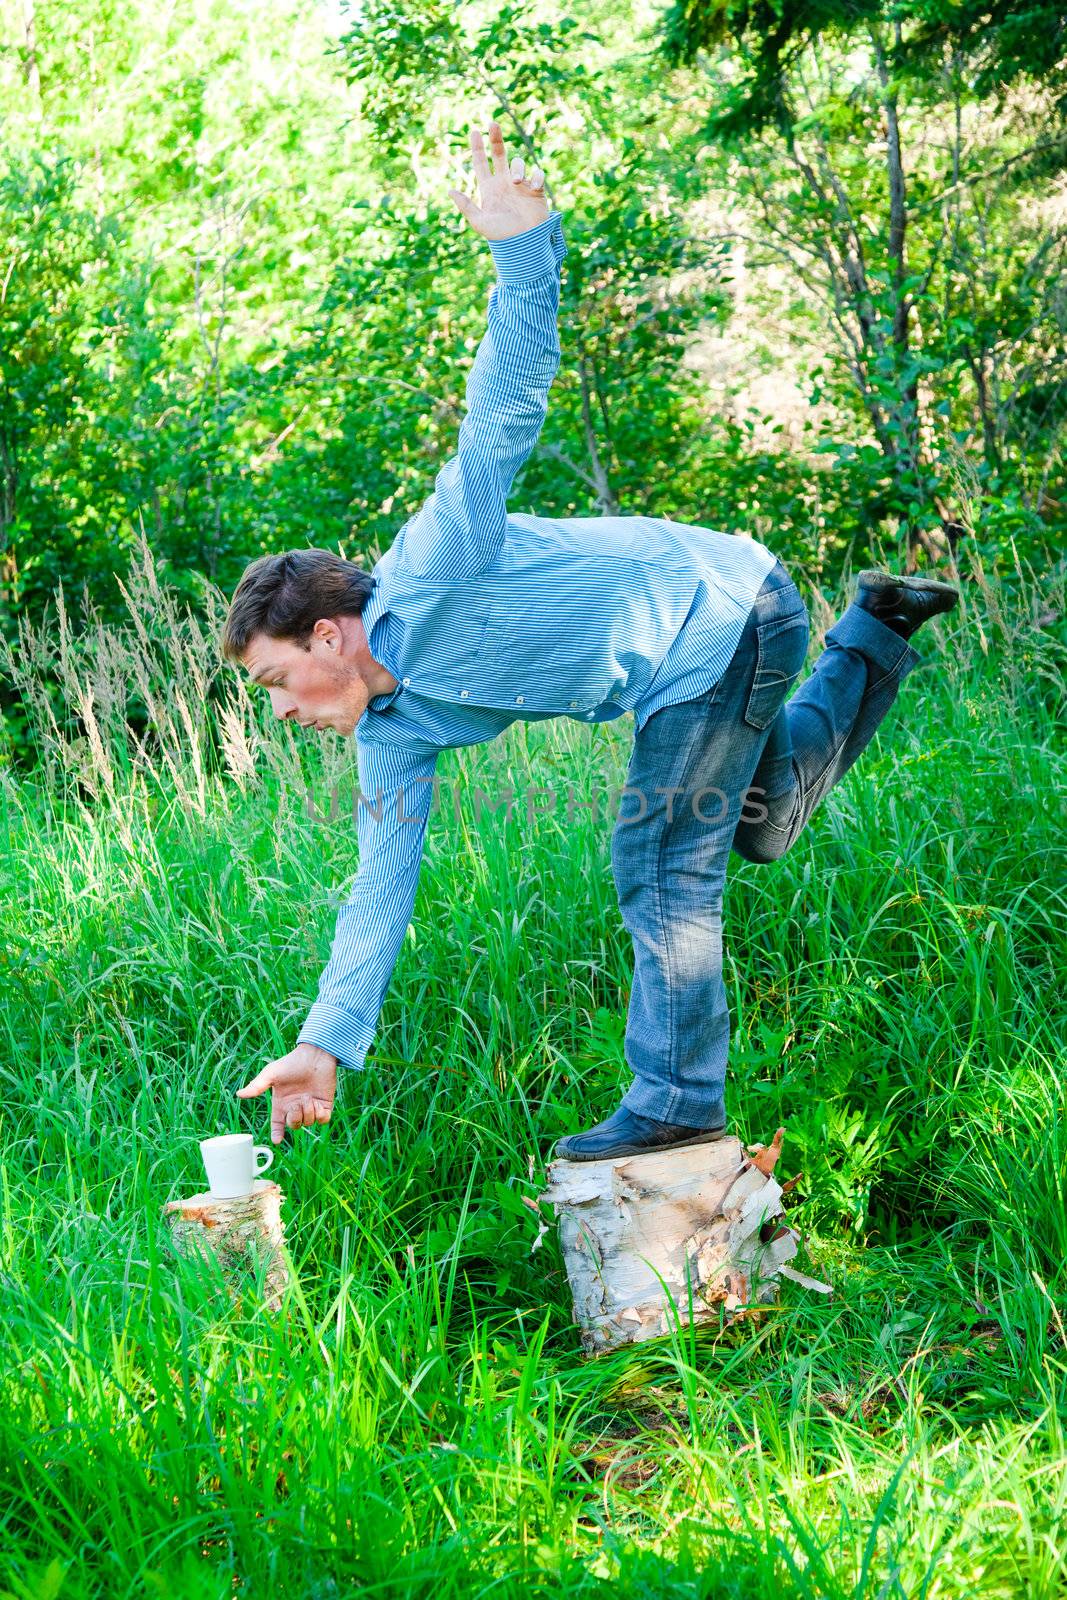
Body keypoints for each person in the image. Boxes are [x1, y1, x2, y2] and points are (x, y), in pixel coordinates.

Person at [227, 122, 959, 1157]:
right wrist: (324, 1044)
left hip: (720, 611)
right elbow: (377, 890)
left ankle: (674, 1106)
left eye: (277, 679)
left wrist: (524, 252)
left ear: (331, 632)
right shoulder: (391, 732)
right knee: (759, 825)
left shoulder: (435, 558)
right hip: (691, 653)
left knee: (658, 851)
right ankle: (875, 627)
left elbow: (500, 414)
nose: (284, 707)